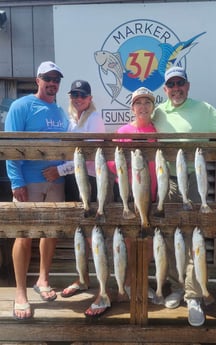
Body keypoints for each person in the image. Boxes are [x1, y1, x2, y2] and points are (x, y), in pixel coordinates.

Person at [152, 65, 216, 327]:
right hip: (165, 183)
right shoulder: (157, 113)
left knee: (191, 239)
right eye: (171, 85)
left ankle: (194, 295)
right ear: (165, 89)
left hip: (191, 180)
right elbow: (135, 131)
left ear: (188, 86)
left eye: (180, 83)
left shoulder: (203, 110)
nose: (176, 89)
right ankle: (178, 287)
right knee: (169, 239)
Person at [5, 61, 69, 320]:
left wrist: (61, 171)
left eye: (56, 78)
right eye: (47, 78)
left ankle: (43, 279)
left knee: (50, 232)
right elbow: (10, 144)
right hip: (28, 182)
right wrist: (16, 181)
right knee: (24, 236)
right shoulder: (21, 106)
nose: (52, 82)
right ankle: (20, 293)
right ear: (37, 80)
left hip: (56, 181)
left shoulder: (61, 111)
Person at [42, 80, 105, 307]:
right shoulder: (70, 119)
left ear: (89, 98)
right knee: (79, 234)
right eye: (74, 94)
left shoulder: (95, 118)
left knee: (92, 237)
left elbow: (87, 157)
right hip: (72, 181)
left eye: (82, 95)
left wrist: (59, 170)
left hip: (89, 181)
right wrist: (63, 170)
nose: (77, 98)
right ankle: (83, 279)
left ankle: (103, 288)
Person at [107, 87, 157, 305]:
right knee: (128, 242)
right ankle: (129, 282)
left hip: (153, 196)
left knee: (150, 245)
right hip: (128, 196)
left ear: (152, 107)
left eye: (147, 103)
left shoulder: (158, 132)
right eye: (138, 103)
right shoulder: (123, 132)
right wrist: (126, 172)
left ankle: (140, 281)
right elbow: (110, 163)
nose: (143, 107)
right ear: (132, 107)